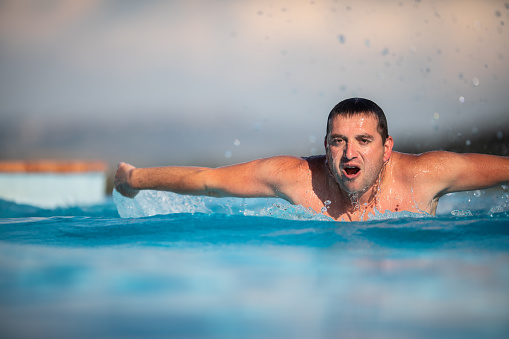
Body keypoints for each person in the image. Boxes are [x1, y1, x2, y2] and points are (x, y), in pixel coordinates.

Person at [114, 98, 509, 221]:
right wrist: (134, 179)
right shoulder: (297, 178)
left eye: (363, 141)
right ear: (326, 146)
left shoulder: (425, 174)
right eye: (338, 141)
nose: (349, 153)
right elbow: (208, 180)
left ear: (387, 148)